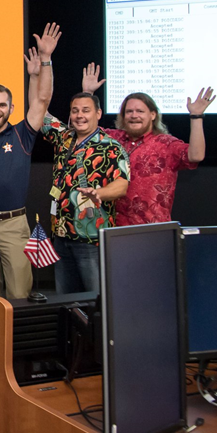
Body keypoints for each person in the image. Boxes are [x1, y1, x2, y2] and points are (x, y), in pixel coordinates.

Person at [0, 23, 60, 300]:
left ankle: (16, 344)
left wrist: (46, 59)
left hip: (13, 224)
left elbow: (42, 99)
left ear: (11, 108)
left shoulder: (23, 133)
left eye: (2, 105)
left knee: (19, 291)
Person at [81, 64, 214, 227]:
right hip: (112, 228)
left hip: (152, 230)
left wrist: (196, 116)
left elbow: (196, 155)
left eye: (140, 111)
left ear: (153, 115)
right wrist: (87, 94)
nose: (134, 115)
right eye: (129, 112)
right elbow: (82, 132)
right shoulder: (112, 139)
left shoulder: (166, 144)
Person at [42, 91, 130, 294]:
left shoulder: (112, 147)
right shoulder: (64, 137)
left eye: (85, 110)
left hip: (91, 240)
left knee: (96, 299)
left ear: (98, 113)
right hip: (61, 235)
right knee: (66, 300)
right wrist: (38, 72)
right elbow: (41, 111)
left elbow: (121, 185)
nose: (79, 115)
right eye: (75, 111)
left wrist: (100, 193)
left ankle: (98, 328)